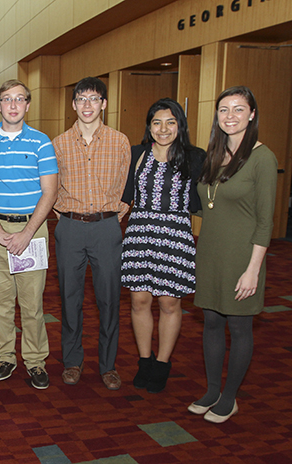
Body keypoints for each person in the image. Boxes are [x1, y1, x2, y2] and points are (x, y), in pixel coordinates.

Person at [189, 86, 277, 423]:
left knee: (239, 328)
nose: (230, 116)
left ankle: (230, 396)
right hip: (210, 252)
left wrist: (253, 269)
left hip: (243, 256)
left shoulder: (262, 158)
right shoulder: (214, 153)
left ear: (252, 114)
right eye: (224, 109)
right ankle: (212, 390)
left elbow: (265, 220)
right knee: (211, 322)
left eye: (239, 109)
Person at [0, 79, 58, 390]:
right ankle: (5, 355)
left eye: (19, 99)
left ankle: (35, 360)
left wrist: (27, 233)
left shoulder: (41, 143)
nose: (13, 105)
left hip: (32, 230)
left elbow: (50, 192)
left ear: (27, 105)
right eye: (7, 99)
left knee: (32, 303)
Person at [121, 98, 205, 393]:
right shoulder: (136, 154)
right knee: (139, 301)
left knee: (169, 304)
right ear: (149, 126)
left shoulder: (195, 157)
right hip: (140, 234)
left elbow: (208, 198)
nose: (163, 128)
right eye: (156, 122)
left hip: (175, 235)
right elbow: (123, 195)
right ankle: (145, 360)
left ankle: (163, 363)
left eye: (170, 122)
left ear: (180, 125)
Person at [52, 77, 130, 391]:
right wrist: (66, 218)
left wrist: (113, 218)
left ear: (104, 104)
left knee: (109, 299)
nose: (87, 105)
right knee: (70, 299)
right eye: (81, 99)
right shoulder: (58, 143)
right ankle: (72, 361)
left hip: (107, 227)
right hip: (69, 227)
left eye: (94, 99)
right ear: (73, 104)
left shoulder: (119, 141)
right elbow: (52, 190)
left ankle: (108, 365)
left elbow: (127, 186)